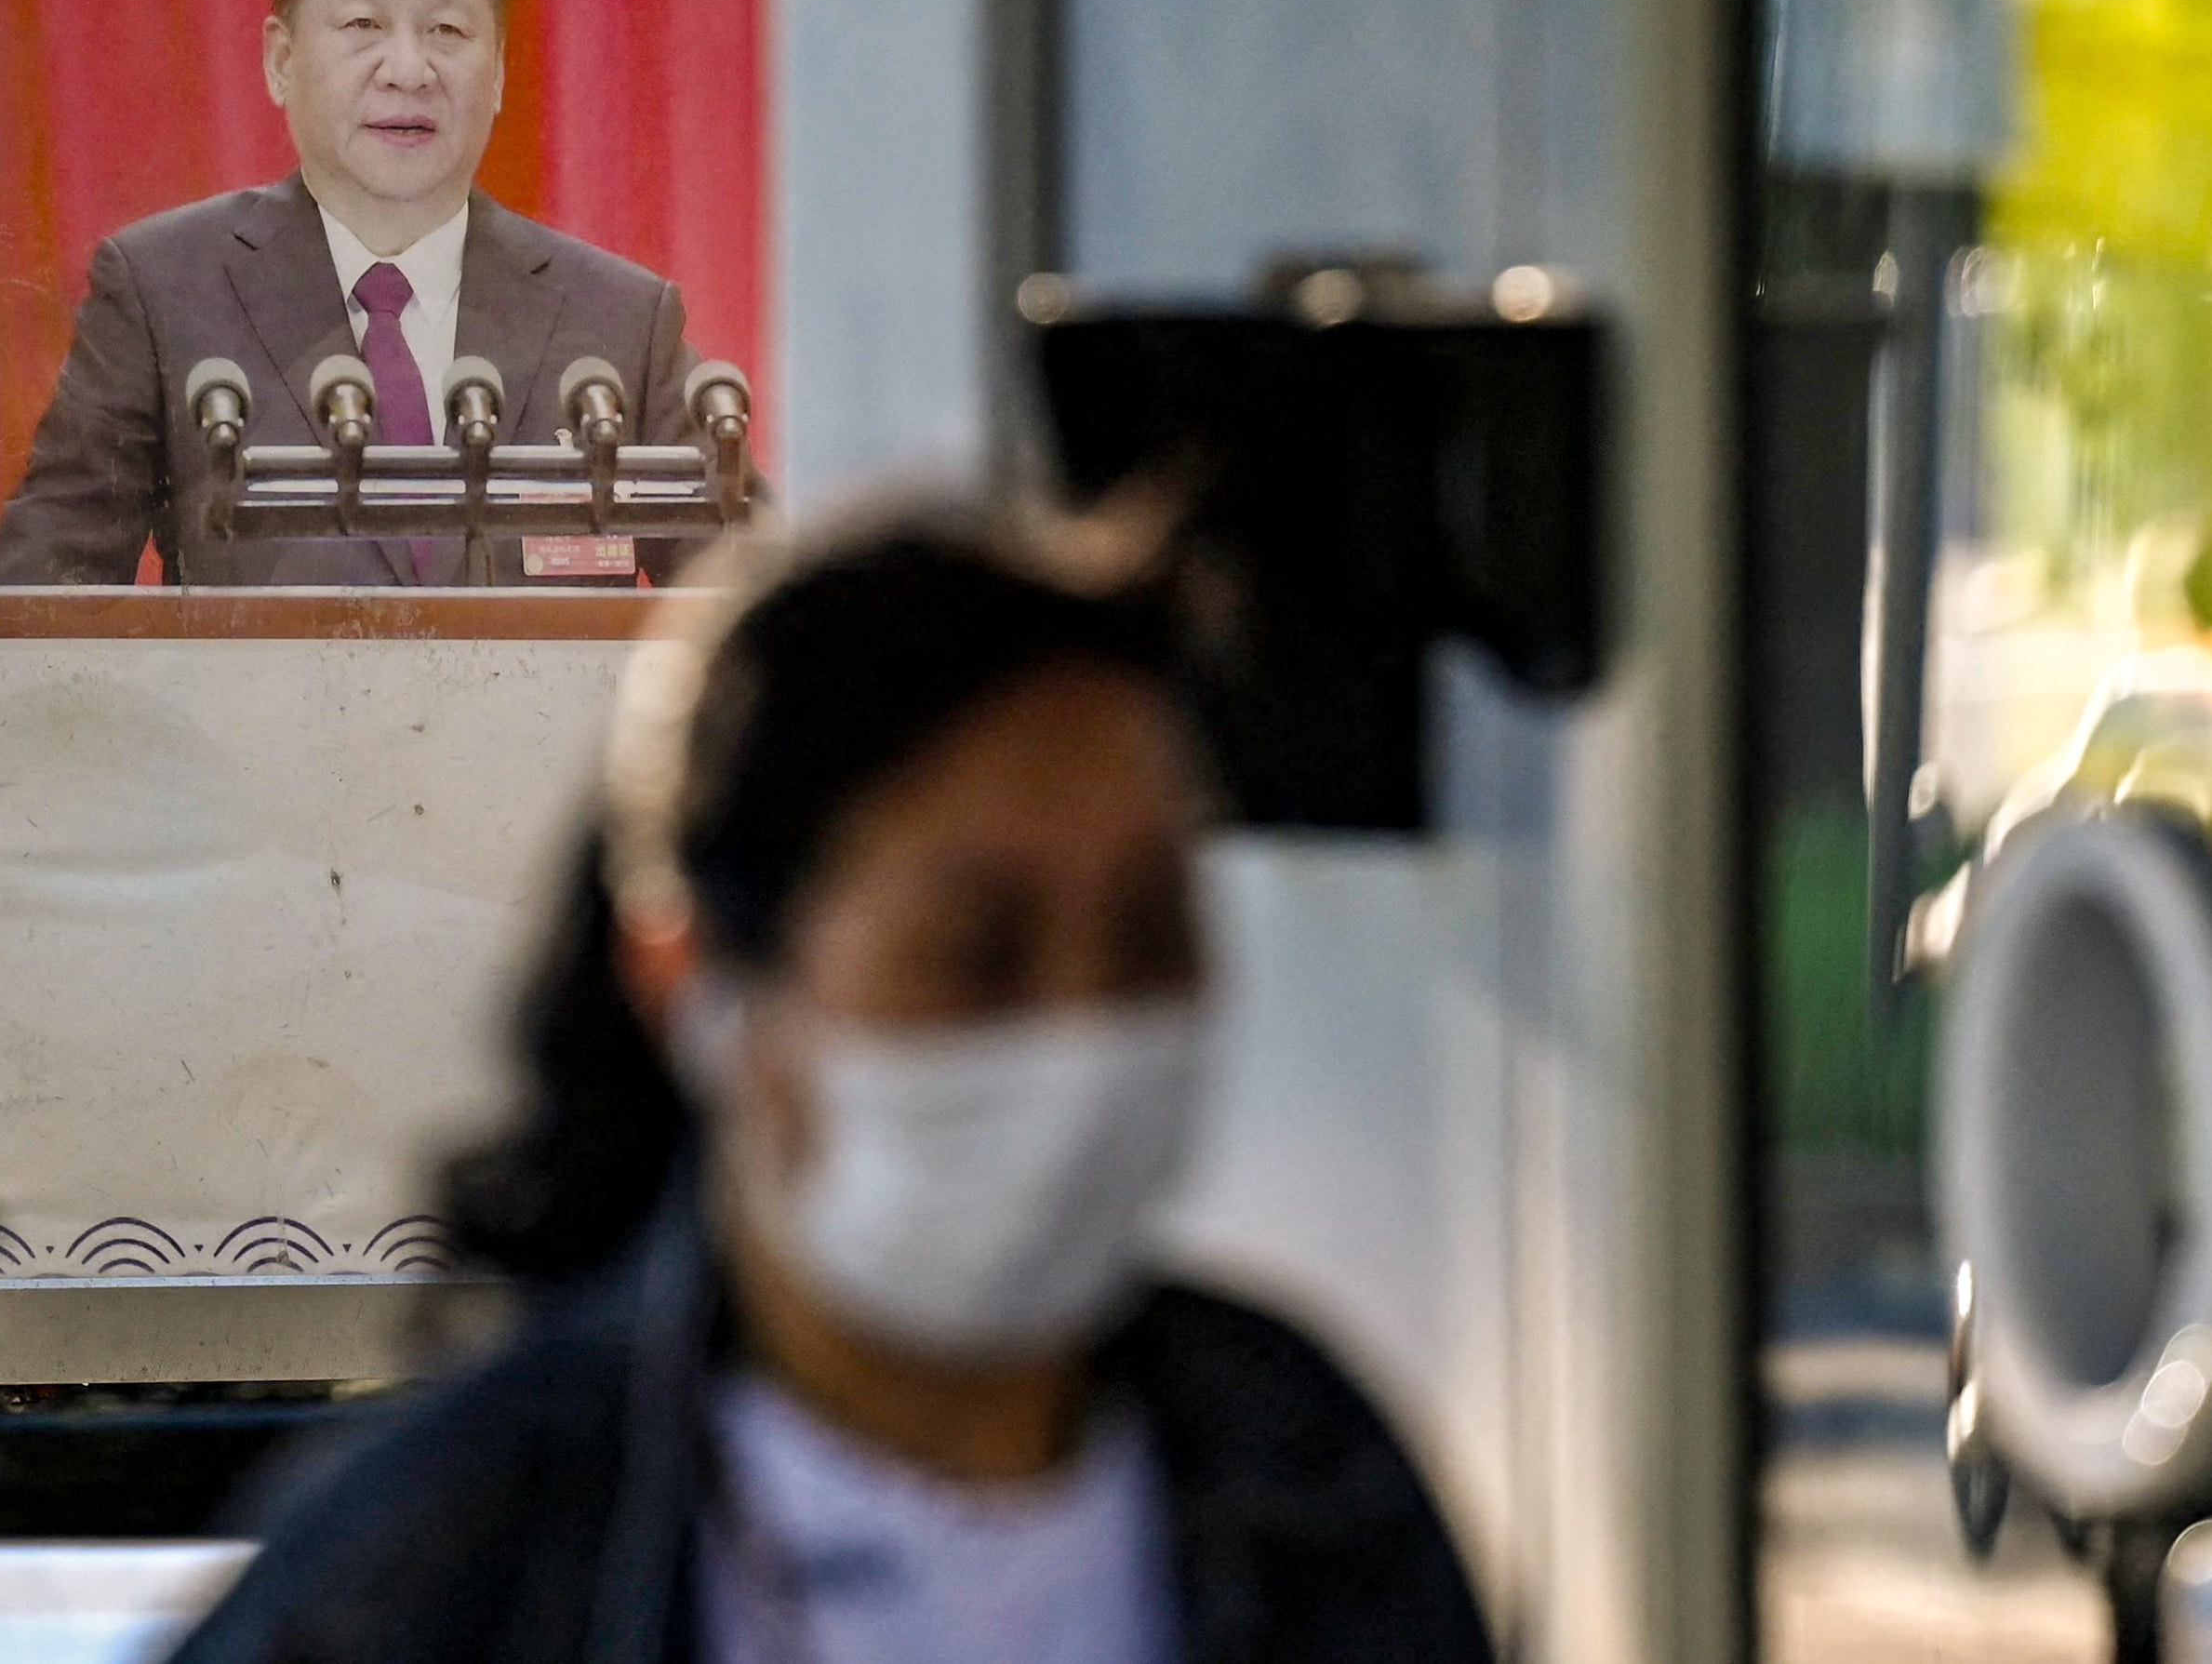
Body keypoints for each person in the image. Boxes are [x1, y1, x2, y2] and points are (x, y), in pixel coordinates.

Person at [166, 513, 1495, 1664]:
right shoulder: (457, 1556)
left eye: (1151, 935)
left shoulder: (1308, 1474)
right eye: (973, 955)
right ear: (700, 985)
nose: (1086, 1025)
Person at [0, 0, 730, 590]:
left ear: (499, 72)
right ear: (282, 60)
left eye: (447, 30)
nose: (408, 69)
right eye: (362, 25)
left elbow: (748, 596)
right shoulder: (163, 291)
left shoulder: (620, 319)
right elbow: (41, 596)